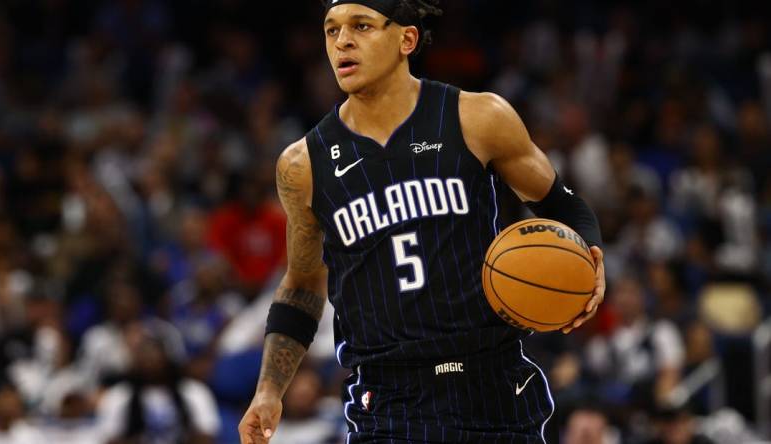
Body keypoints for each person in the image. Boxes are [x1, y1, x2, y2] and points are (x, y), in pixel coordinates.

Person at [239, 1, 606, 442]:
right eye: (331, 30)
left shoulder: (478, 117)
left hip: (496, 383)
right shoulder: (303, 165)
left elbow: (563, 206)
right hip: (390, 400)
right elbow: (301, 286)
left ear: (406, 39)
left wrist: (589, 254)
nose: (343, 42)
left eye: (361, 26)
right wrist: (268, 390)